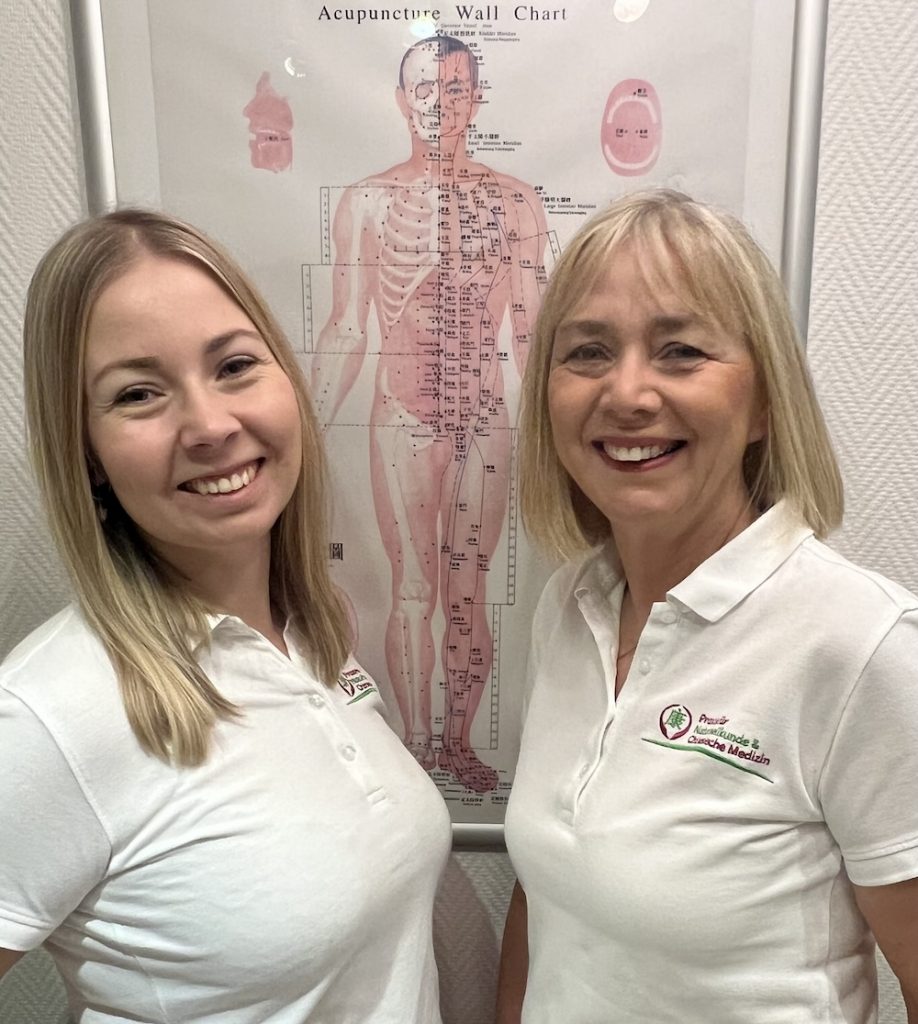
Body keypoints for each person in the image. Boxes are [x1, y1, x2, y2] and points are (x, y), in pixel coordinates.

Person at [0, 210, 451, 1022]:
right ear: (86, 453)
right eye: (138, 394)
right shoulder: (48, 715)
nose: (211, 426)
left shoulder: (310, 636)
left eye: (235, 365)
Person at [496, 189, 918, 1022]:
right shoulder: (566, 609)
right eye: (587, 352)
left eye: (681, 351)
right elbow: (545, 902)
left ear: (763, 402)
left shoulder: (861, 645)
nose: (627, 392)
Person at [311, 33, 548, 792]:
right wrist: (304, 433)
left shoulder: (516, 202)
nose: (438, 103)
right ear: (400, 100)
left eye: (454, 89)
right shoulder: (368, 202)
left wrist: (565, 440)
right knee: (413, 588)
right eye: (424, 88)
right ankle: (416, 747)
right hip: (402, 416)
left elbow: (532, 332)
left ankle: (459, 744)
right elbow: (346, 327)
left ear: (475, 100)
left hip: (483, 418)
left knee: (466, 591)